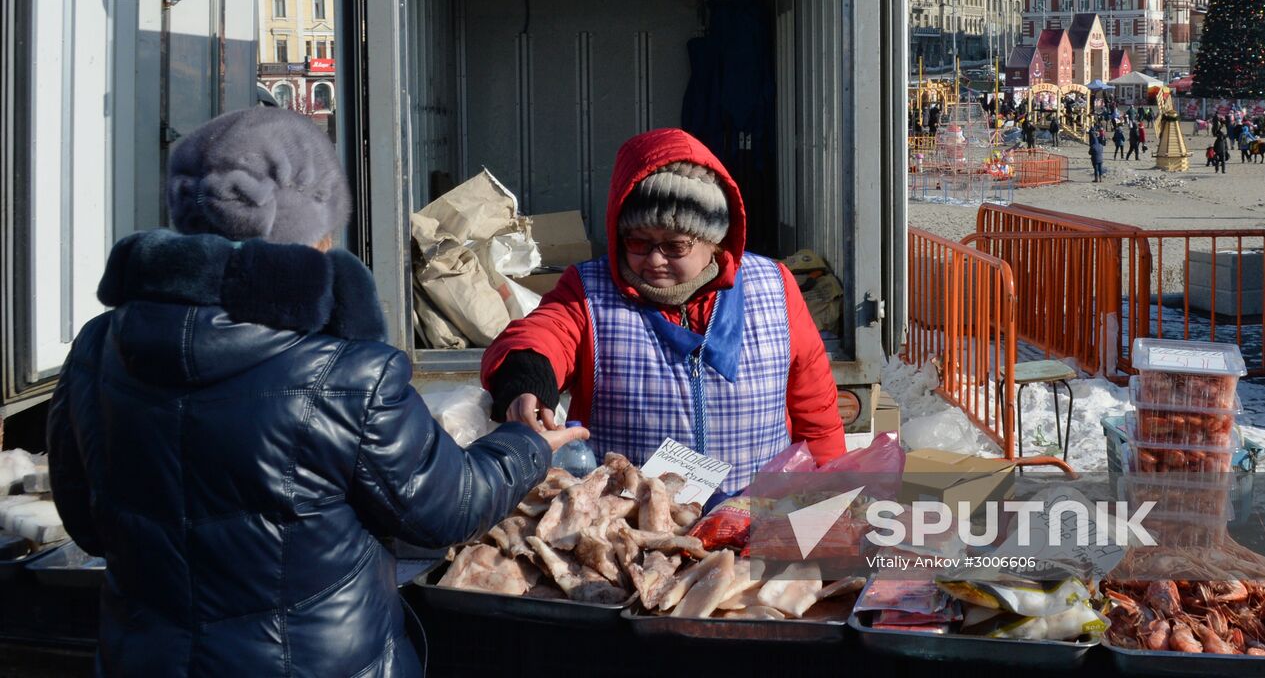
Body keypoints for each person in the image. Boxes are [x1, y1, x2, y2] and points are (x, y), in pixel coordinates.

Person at [46, 109, 580, 676]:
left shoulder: (97, 348)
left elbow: (85, 521)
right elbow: (447, 510)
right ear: (313, 232)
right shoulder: (347, 373)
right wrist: (527, 446)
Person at [482, 128, 845, 498]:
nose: (654, 260)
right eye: (638, 242)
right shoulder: (590, 291)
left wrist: (827, 491)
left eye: (675, 245)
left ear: (713, 240)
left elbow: (814, 409)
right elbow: (545, 334)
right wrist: (526, 378)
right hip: (632, 527)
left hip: (754, 520)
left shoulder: (773, 287)